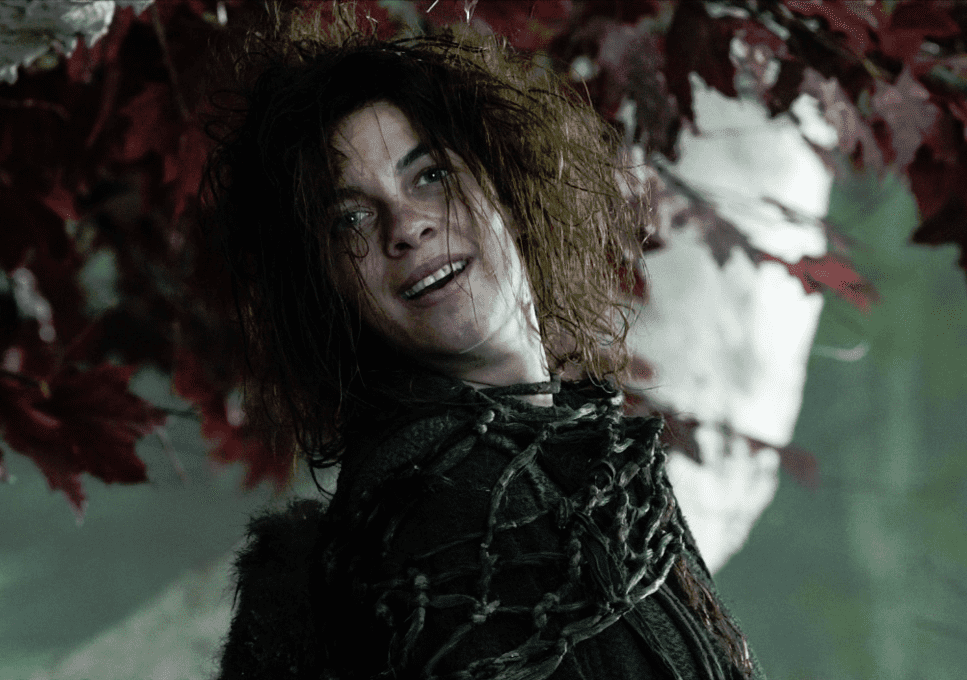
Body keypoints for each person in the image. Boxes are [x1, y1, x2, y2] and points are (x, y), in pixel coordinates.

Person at [201, 4, 766, 679]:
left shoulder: (593, 460)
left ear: (506, 187)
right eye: (351, 218)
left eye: (430, 176)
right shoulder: (443, 510)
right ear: (330, 290)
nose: (405, 226)